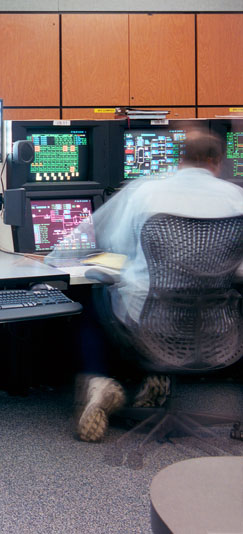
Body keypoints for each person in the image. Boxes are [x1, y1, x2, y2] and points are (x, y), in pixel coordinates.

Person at [64, 130, 243, 442]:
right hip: (218, 331)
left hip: (149, 326)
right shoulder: (236, 198)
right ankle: (159, 381)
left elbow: (115, 243)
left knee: (93, 295)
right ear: (218, 162)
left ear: (179, 159)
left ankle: (101, 382)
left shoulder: (146, 192)